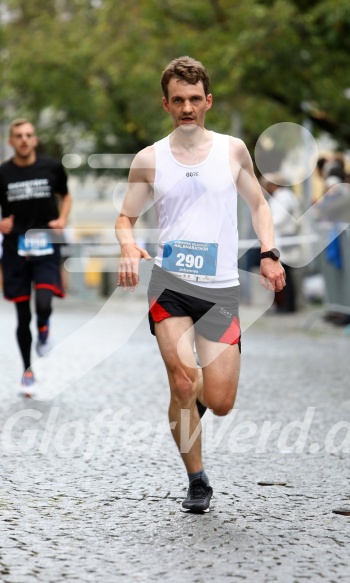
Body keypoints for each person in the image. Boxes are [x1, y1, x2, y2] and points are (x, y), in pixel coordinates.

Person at [115, 57, 285, 513]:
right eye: (178, 100)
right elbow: (124, 219)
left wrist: (269, 253)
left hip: (221, 288)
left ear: (207, 101)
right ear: (166, 104)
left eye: (195, 99)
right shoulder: (149, 159)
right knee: (184, 379)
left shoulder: (232, 151)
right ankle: (197, 479)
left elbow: (260, 206)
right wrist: (129, 247)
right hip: (170, 285)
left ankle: (184, 411)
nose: (187, 107)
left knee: (220, 400)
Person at [0, 118, 72, 396]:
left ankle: (44, 327)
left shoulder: (51, 167)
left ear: (35, 139)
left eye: (28, 135)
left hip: (46, 244)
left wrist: (62, 219)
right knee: (21, 315)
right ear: (11, 141)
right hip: (15, 247)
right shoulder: (3, 173)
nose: (24, 140)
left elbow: (66, 196)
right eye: (18, 135)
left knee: (43, 301)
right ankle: (27, 371)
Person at [260, 173, 302, 313]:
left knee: (285, 275)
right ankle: (283, 304)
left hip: (284, 242)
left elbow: (278, 219)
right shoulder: (283, 196)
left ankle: (288, 306)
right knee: (285, 275)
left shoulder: (283, 197)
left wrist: (263, 224)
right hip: (282, 241)